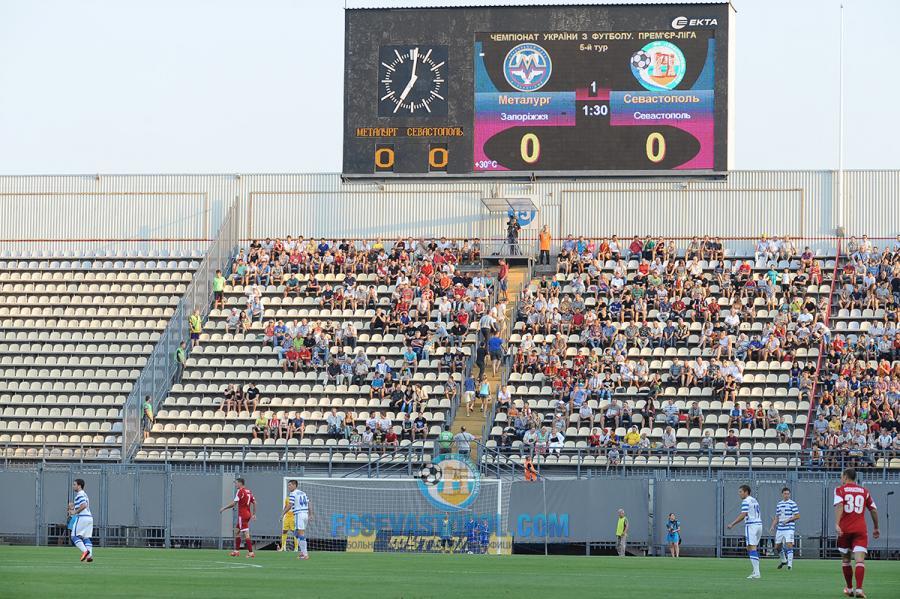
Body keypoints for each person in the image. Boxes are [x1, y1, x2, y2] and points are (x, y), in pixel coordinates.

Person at [834, 468, 880, 598]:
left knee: (846, 559)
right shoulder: (864, 491)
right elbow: (873, 510)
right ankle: (859, 589)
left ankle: (849, 589)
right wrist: (876, 527)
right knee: (859, 560)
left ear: (845, 476)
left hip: (844, 530)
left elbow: (840, 505)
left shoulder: (839, 490)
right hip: (860, 530)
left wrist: (837, 524)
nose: (841, 479)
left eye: (841, 476)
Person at [727, 484, 762, 579]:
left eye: (740, 492)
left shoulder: (746, 501)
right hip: (759, 525)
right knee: (750, 547)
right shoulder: (754, 500)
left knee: (752, 547)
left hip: (751, 525)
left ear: (746, 492)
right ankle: (755, 570)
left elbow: (743, 514)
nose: (739, 494)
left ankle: (757, 573)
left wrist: (732, 524)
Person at [220, 478, 256, 558]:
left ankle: (251, 552)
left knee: (246, 533)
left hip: (242, 515)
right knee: (236, 531)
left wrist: (224, 508)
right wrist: (254, 514)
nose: (235, 484)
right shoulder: (248, 491)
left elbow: (234, 504)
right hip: (248, 514)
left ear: (240, 483)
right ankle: (236, 551)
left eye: (236, 483)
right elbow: (254, 502)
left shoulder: (240, 491)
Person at [770, 487, 800, 570]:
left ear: (790, 494)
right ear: (782, 494)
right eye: (785, 494)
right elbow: (777, 517)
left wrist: (788, 520)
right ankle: (784, 560)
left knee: (789, 544)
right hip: (780, 528)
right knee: (777, 547)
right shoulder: (779, 504)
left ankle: (790, 565)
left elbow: (797, 516)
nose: (786, 495)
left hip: (789, 528)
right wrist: (772, 526)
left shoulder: (792, 504)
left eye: (788, 494)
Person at [282, 479, 311, 560]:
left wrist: (283, 513)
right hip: (305, 514)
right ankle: (302, 552)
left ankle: (305, 554)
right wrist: (311, 514)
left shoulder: (293, 493)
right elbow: (309, 503)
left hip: (299, 514)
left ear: (295, 485)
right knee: (297, 533)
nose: (289, 487)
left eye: (290, 485)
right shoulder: (303, 493)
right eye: (288, 485)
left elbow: (290, 505)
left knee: (300, 534)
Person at [67, 478, 93, 562]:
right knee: (86, 537)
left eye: (74, 484)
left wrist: (75, 512)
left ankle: (85, 551)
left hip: (82, 517)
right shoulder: (84, 494)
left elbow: (84, 505)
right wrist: (73, 507)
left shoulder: (80, 494)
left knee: (74, 536)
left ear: (79, 486)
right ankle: (89, 556)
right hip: (89, 518)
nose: (73, 486)